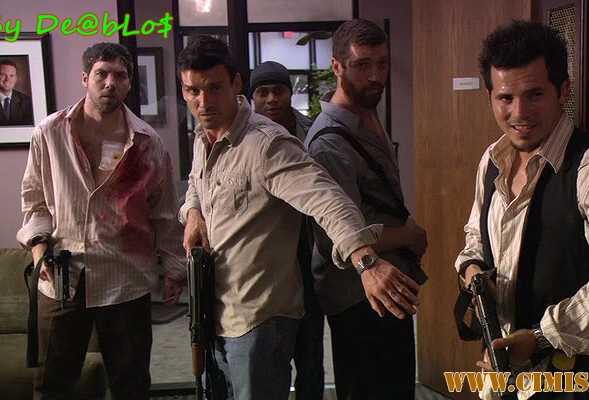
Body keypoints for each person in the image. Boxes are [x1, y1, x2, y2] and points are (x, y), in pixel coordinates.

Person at [177, 35, 420, 400]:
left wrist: (366, 261)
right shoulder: (204, 137)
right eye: (192, 91)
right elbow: (197, 183)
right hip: (217, 309)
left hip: (259, 318)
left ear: (236, 83)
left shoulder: (267, 145)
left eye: (214, 88)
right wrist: (194, 212)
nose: (203, 101)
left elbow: (328, 200)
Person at [455, 20, 589, 399]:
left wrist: (540, 338)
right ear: (490, 95)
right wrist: (472, 271)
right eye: (505, 98)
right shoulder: (492, 159)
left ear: (562, 90)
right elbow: (475, 237)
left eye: (535, 94)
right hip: (504, 374)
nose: (519, 113)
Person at [16, 42, 186, 400]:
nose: (110, 83)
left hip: (125, 277)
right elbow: (34, 199)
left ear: (129, 83)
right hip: (63, 275)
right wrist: (38, 250)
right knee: (52, 384)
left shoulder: (148, 142)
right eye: (101, 74)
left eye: (120, 76)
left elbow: (164, 212)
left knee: (131, 383)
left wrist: (174, 269)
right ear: (85, 78)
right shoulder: (50, 132)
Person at [304, 19, 428, 400]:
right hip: (359, 293)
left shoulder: (366, 115)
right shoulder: (329, 142)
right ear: (337, 67)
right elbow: (337, 236)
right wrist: (407, 235)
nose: (375, 76)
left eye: (382, 63)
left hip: (389, 284)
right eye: (362, 65)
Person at [249, 60, 324, 400]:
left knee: (310, 351)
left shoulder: (312, 130)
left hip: (307, 250)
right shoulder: (245, 135)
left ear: (289, 93)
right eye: (262, 92)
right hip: (265, 255)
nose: (271, 99)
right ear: (253, 97)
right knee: (269, 350)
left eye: (278, 90)